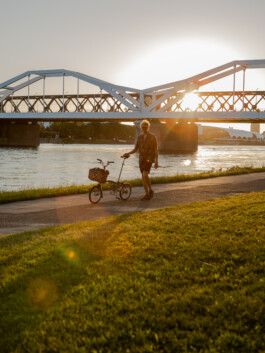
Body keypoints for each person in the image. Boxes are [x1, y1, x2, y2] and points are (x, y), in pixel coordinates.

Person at [123, 120, 158, 200]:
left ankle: (150, 190)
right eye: (143, 127)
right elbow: (136, 149)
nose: (144, 128)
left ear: (148, 127)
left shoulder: (153, 137)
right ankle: (147, 193)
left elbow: (156, 150)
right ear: (141, 128)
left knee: (145, 175)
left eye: (146, 127)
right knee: (143, 177)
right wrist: (128, 153)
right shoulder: (139, 137)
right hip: (141, 160)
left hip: (149, 159)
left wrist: (156, 161)